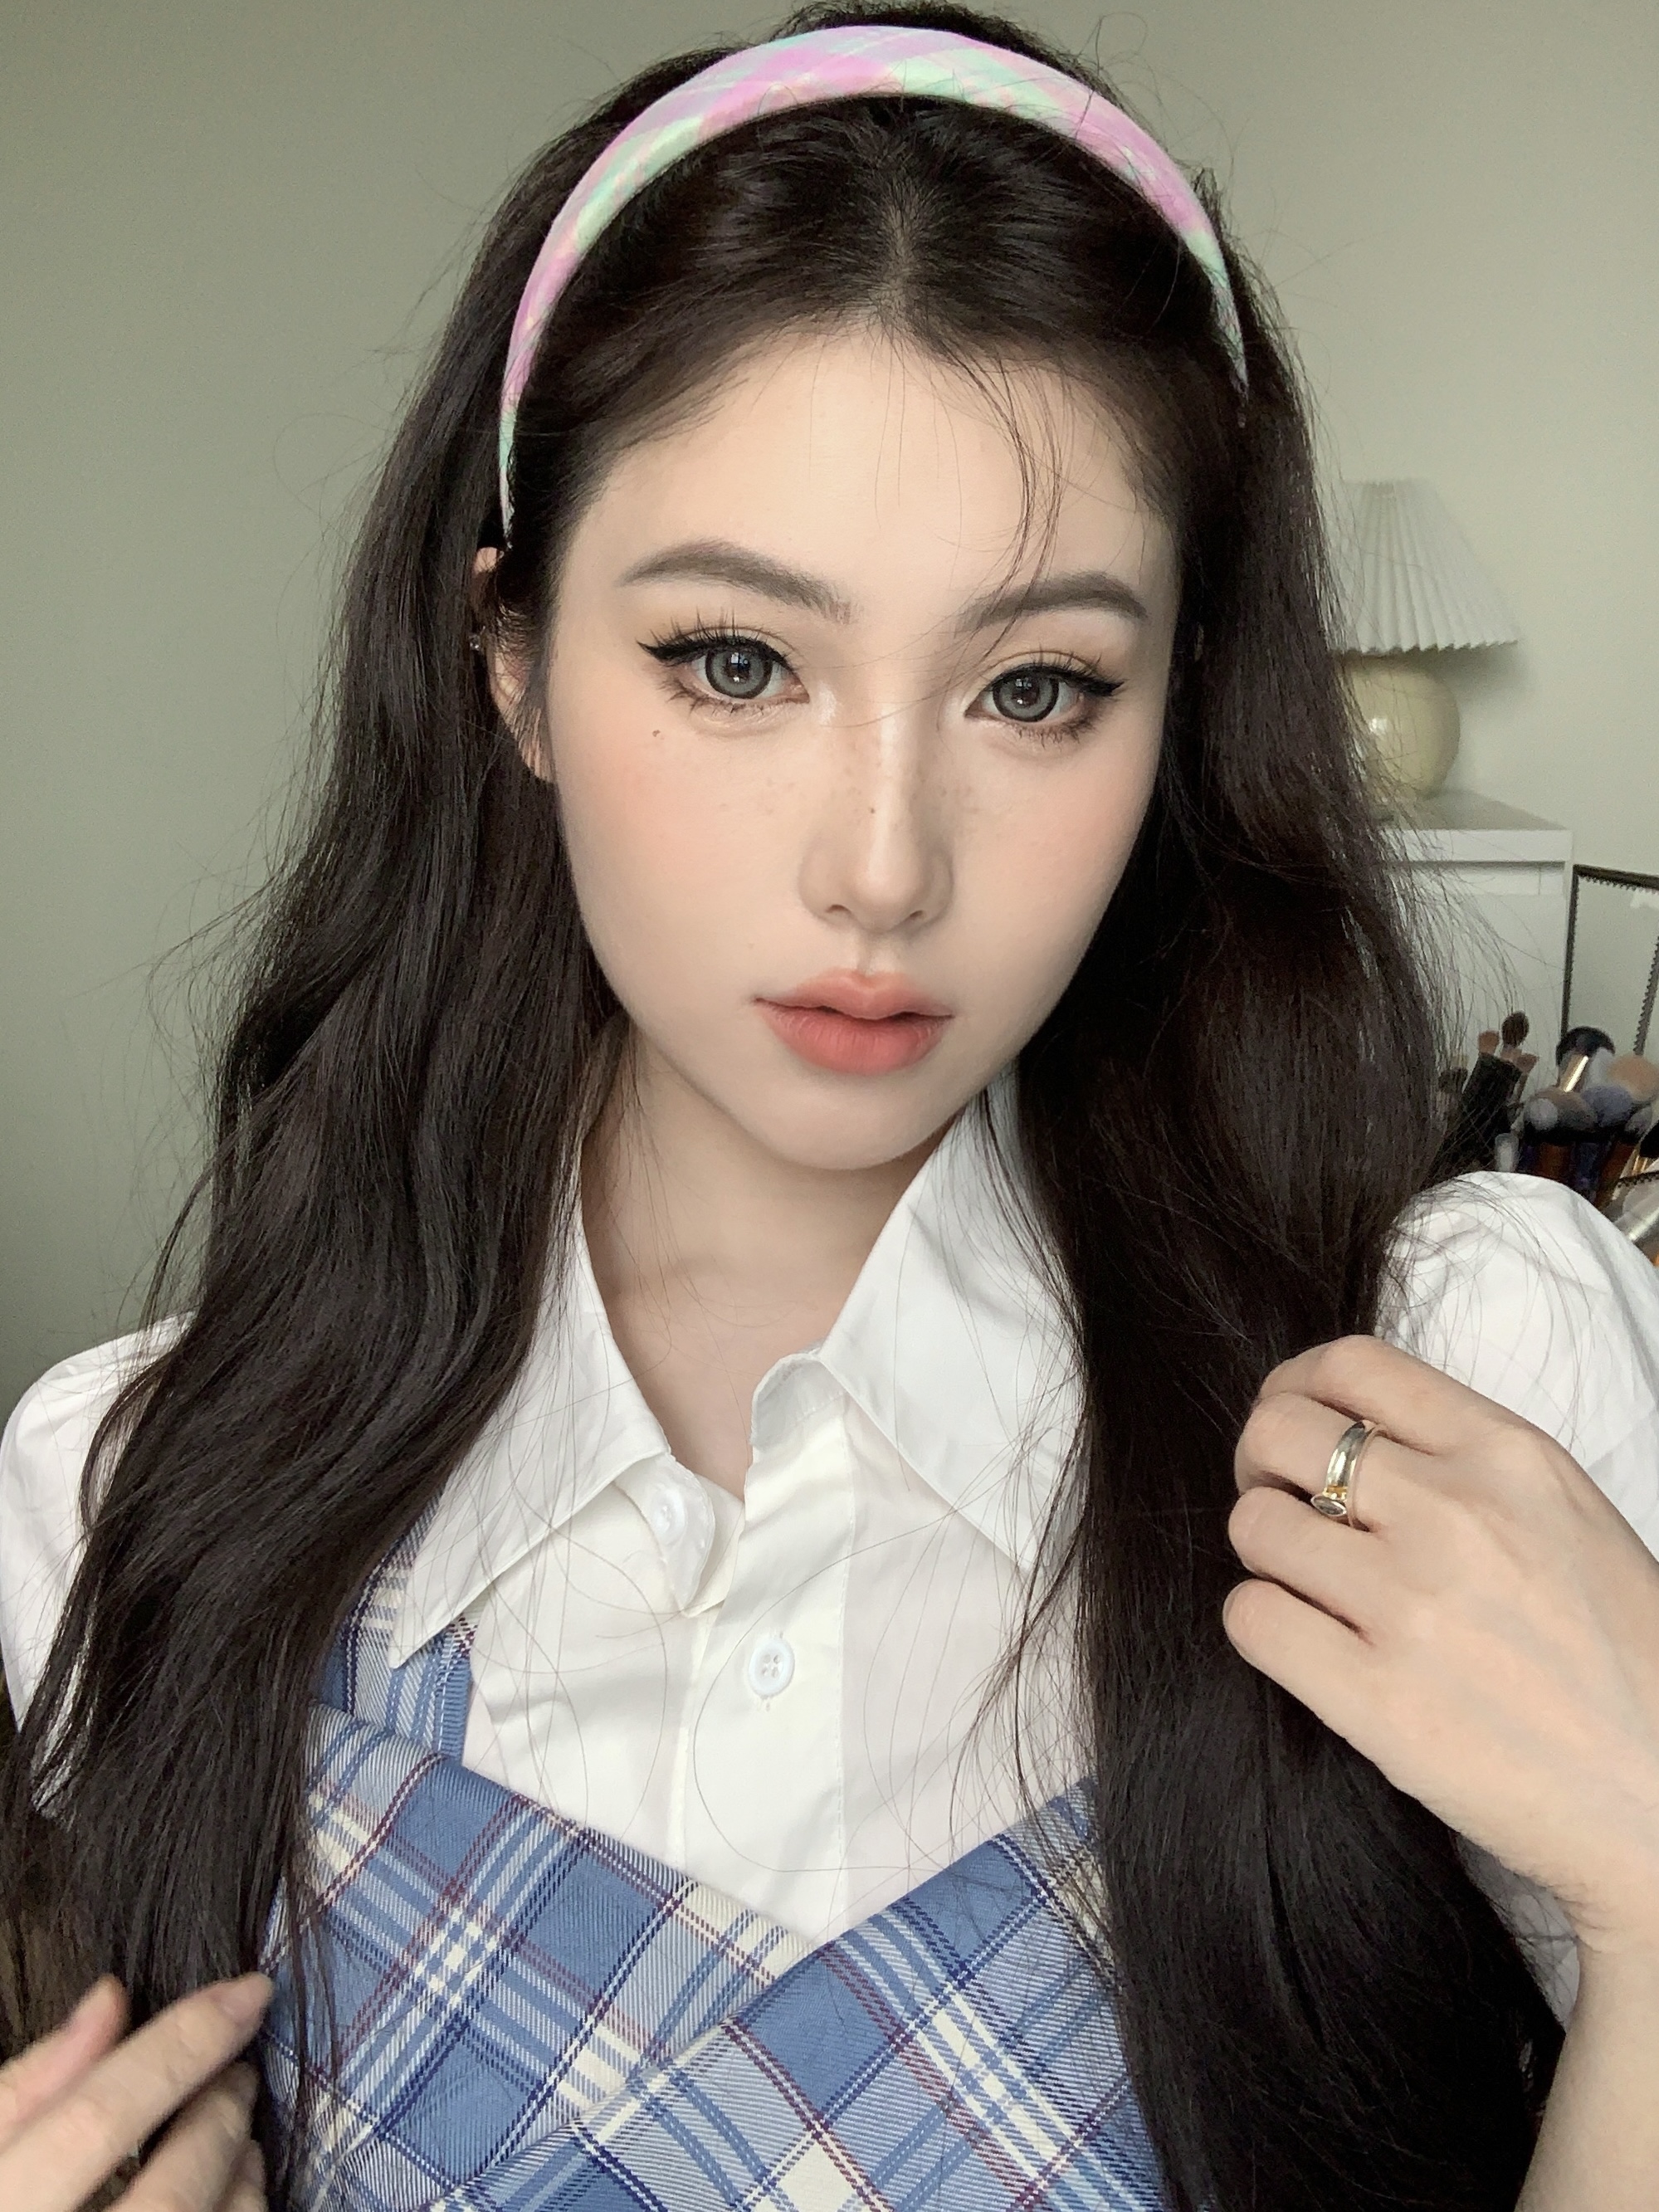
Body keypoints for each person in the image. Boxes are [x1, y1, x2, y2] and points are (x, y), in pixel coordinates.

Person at [3, 7, 1658, 2209]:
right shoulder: (129, 1497)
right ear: (511, 660)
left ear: (1177, 711)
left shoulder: (1462, 1379)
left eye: (1037, 686)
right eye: (736, 662)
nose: (883, 867)